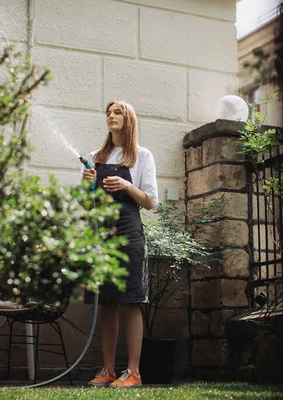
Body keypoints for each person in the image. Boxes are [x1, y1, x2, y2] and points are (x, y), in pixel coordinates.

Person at [81, 100, 158, 389]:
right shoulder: (94, 156)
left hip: (129, 232)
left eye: (118, 113)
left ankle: (134, 372)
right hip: (100, 233)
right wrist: (87, 185)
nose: (111, 117)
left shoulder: (141, 155)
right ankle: (108, 371)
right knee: (107, 302)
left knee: (130, 301)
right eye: (108, 113)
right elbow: (86, 205)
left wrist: (126, 186)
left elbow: (151, 202)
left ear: (129, 120)